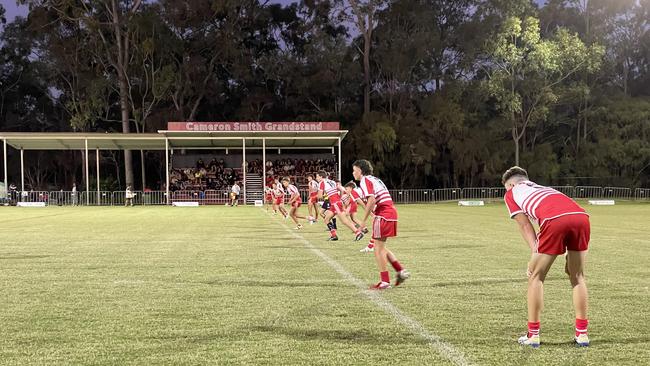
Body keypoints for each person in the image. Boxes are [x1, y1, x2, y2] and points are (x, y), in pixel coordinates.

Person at [502, 166, 590, 348]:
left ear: (510, 184)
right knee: (577, 276)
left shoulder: (511, 193)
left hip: (554, 220)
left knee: (536, 276)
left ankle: (533, 335)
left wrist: (534, 256)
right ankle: (582, 334)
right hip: (581, 217)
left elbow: (525, 226)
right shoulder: (544, 188)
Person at [352, 159, 409, 290]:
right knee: (381, 247)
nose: (353, 173)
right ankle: (401, 271)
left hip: (383, 213)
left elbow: (371, 200)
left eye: (354, 170)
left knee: (378, 249)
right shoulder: (375, 179)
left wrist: (364, 220)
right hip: (391, 213)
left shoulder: (364, 180)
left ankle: (384, 282)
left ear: (360, 171)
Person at [316, 171, 364, 242]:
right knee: (326, 219)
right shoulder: (332, 181)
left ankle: (358, 233)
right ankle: (334, 235)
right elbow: (341, 189)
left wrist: (315, 197)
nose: (316, 178)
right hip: (335, 203)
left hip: (335, 203)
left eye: (317, 176)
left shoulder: (321, 183)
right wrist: (340, 199)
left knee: (344, 220)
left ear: (321, 176)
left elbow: (319, 196)